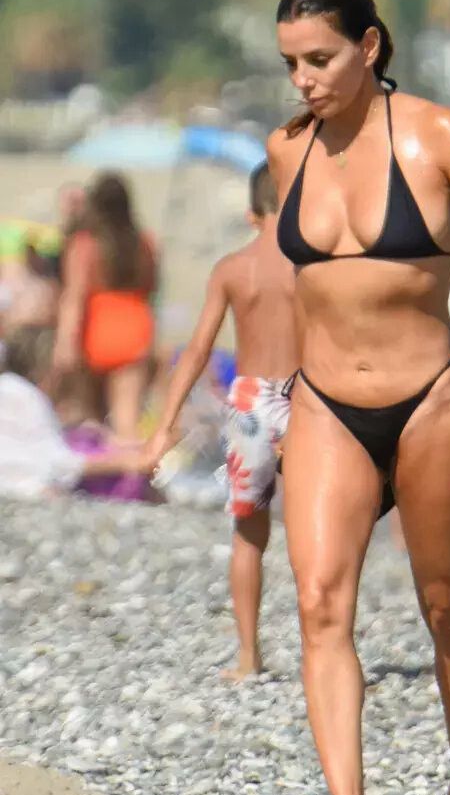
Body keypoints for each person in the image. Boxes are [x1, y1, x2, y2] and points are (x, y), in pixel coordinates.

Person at [267, 0, 450, 795]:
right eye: (290, 63)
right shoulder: (286, 150)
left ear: (369, 45)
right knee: (317, 602)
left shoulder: (436, 133)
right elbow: (300, 291)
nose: (302, 79)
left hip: (434, 402)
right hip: (323, 405)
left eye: (319, 58)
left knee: (447, 605)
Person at [145, 162, 298, 680]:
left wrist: (165, 422)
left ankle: (249, 656)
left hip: (250, 402)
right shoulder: (314, 265)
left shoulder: (233, 268)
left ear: (251, 215)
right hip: (307, 398)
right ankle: (326, 649)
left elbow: (197, 349)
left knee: (248, 534)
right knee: (313, 532)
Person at [53, 173, 157, 442]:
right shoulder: (145, 243)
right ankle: (131, 467)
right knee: (127, 424)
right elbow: (151, 290)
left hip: (95, 330)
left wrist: (65, 344)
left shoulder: (85, 245)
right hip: (135, 329)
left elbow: (74, 297)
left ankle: (99, 468)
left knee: (91, 422)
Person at [0, 325, 145, 499]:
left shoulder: (11, 388)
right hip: (24, 490)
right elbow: (61, 464)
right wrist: (127, 462)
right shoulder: (26, 396)